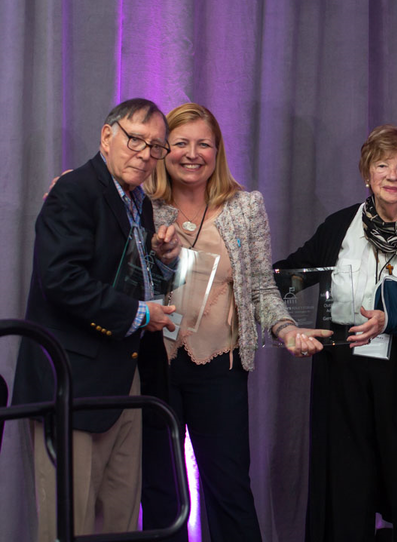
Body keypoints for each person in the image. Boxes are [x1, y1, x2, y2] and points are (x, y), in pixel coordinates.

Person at [139, 103, 331, 542]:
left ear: (218, 150)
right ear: (164, 149)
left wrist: (287, 329)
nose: (192, 153)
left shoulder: (245, 207)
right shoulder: (143, 204)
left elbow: (261, 287)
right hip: (155, 366)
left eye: (203, 143)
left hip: (220, 368)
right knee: (161, 492)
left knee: (229, 489)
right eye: (181, 143)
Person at [275, 124, 397, 541]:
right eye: (381, 165)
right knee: (344, 492)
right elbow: (289, 278)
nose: (392, 176)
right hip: (343, 381)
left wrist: (389, 319)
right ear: (366, 173)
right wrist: (292, 325)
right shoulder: (338, 226)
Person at [12, 98, 180, 541]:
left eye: (156, 147)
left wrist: (162, 264)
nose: (145, 154)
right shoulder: (74, 190)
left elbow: (128, 281)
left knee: (121, 518)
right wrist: (140, 314)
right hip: (72, 378)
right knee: (70, 521)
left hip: (124, 375)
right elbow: (61, 280)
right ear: (107, 137)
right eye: (135, 140)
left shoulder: (139, 203)